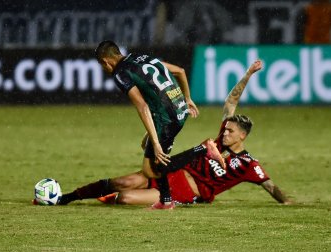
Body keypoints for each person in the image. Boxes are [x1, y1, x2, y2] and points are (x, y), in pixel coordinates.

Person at [57, 60, 291, 207]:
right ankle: (69, 197)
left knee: (125, 197)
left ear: (243, 137)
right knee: (122, 181)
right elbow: (232, 100)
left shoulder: (248, 164)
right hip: (171, 172)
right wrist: (248, 74)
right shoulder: (219, 141)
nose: (225, 131)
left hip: (186, 191)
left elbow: (270, 187)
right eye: (226, 128)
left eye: (231, 131)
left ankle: (114, 198)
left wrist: (287, 201)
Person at [92, 40, 223, 209]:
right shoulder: (140, 56)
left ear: (106, 61)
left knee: (150, 168)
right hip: (179, 109)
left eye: (102, 66)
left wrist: (155, 142)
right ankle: (166, 200)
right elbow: (180, 71)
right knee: (156, 160)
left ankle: (203, 150)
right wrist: (187, 98)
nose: (104, 70)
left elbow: (142, 106)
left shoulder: (120, 73)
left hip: (168, 118)